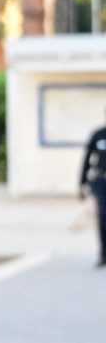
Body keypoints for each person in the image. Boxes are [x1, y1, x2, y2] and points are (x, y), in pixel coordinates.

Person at [78, 110, 106, 266]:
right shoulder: (98, 135)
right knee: (103, 217)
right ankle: (103, 253)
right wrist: (81, 183)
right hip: (102, 181)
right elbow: (87, 160)